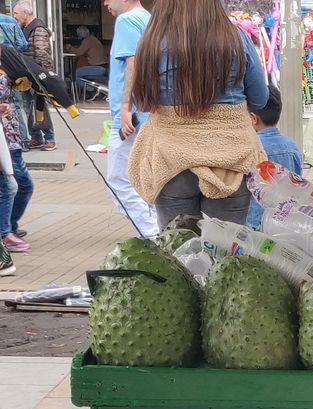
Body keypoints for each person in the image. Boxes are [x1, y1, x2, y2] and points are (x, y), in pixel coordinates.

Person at [128, 0, 269, 228]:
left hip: (170, 161)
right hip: (230, 160)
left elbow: (141, 101)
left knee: (177, 245)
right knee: (226, 246)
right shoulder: (236, 38)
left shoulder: (152, 40)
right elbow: (260, 99)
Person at [101, 0, 158, 239]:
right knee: (146, 180)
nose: (105, 3)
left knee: (119, 181)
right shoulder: (148, 18)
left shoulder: (126, 20)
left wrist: (125, 106)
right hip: (147, 113)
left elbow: (133, 62)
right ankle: (159, 231)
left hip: (130, 117)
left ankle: (152, 234)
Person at [247, 84, 302, 230]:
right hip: (286, 223)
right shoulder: (292, 146)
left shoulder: (252, 148)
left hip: (256, 224)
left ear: (253, 118)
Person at [0, 55, 33, 270]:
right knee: (12, 186)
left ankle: (7, 228)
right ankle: (5, 232)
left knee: (18, 185)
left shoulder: (7, 61)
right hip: (5, 138)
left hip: (10, 137)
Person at [13, 1, 55, 151]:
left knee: (40, 107)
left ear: (25, 13)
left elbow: (42, 54)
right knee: (28, 106)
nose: (14, 16)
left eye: (16, 13)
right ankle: (36, 137)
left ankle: (49, 138)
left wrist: (43, 76)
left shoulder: (38, 29)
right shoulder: (24, 28)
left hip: (36, 75)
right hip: (26, 75)